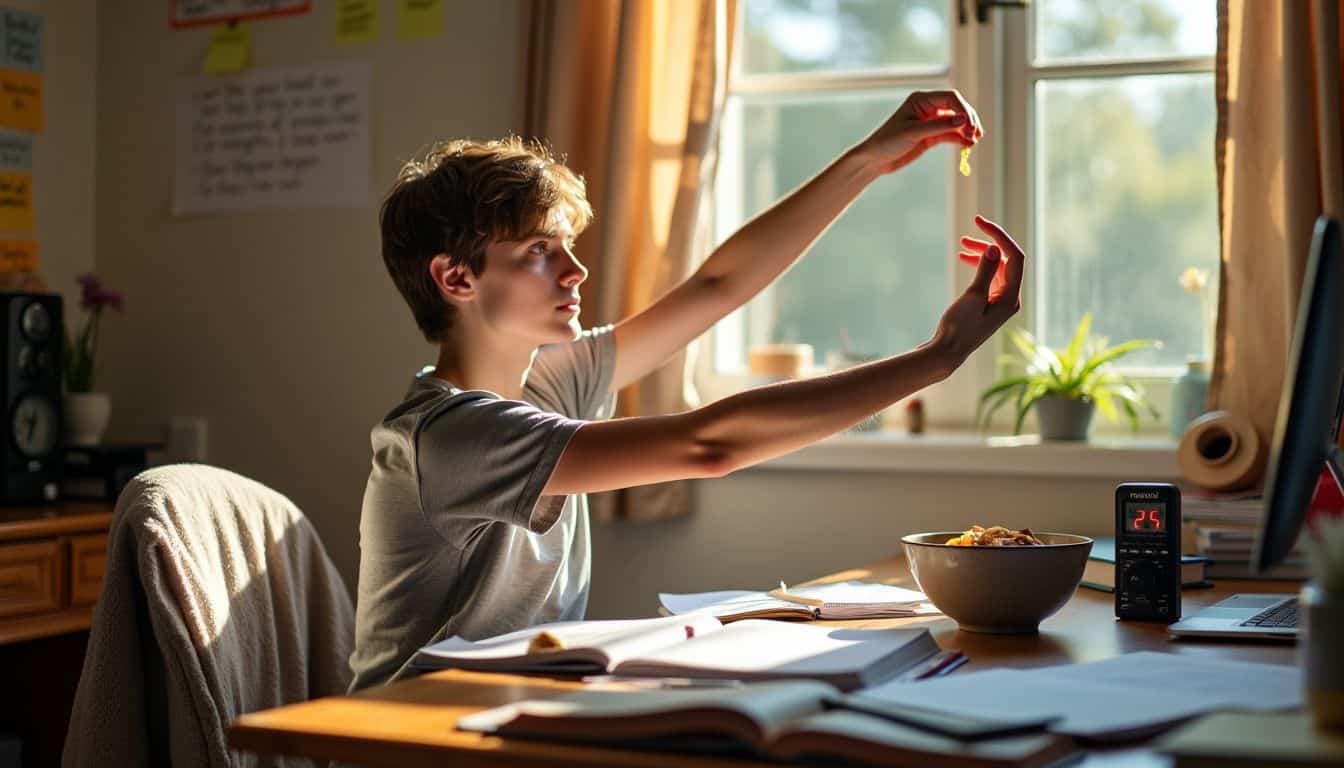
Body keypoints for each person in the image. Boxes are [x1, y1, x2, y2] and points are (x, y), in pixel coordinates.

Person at [349, 90, 1021, 690]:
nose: (576, 270)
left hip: (508, 709)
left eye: (567, 245)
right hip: (400, 735)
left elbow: (717, 287)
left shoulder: (551, 382)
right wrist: (940, 358)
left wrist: (870, 158)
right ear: (456, 280)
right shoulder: (449, 436)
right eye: (538, 251)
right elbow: (708, 445)